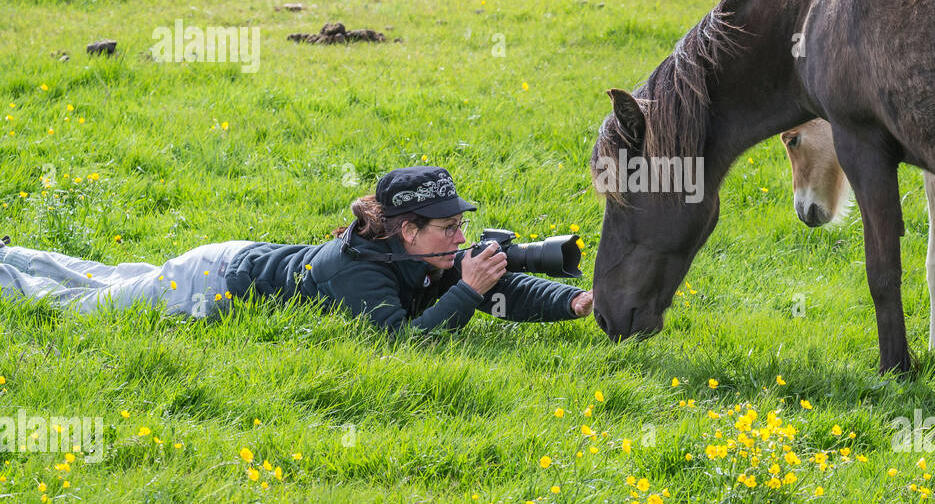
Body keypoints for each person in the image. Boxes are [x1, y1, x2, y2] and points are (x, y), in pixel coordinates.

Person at [0, 166, 594, 334]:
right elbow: (405, 344)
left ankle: (12, 252)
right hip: (212, 282)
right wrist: (467, 289)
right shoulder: (360, 274)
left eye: (460, 225)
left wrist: (573, 303)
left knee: (109, 276)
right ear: (406, 230)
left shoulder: (414, 253)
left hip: (238, 255)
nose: (460, 238)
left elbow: (501, 287)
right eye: (447, 229)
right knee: (88, 306)